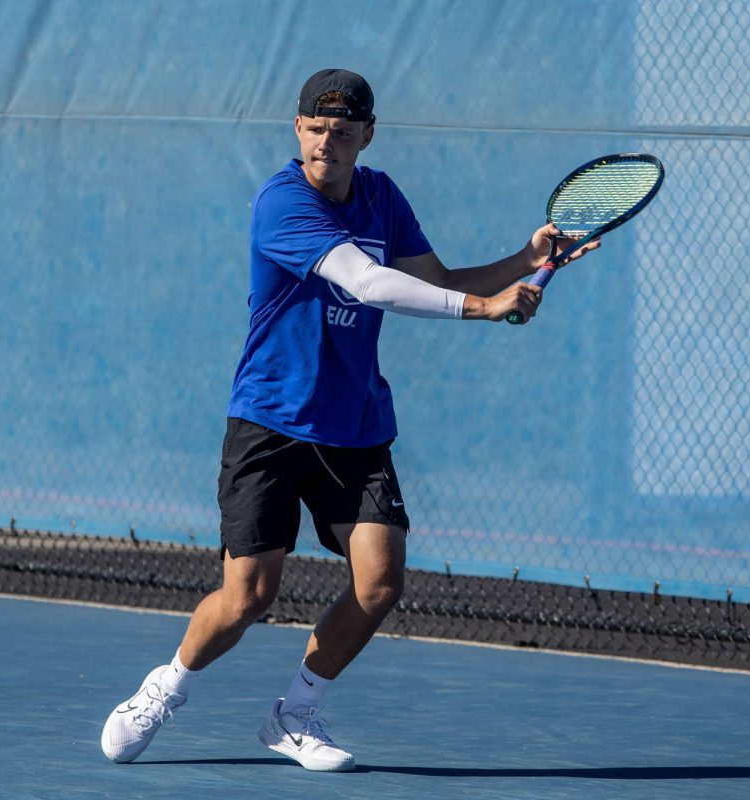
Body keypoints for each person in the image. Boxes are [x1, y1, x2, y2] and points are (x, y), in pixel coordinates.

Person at [101, 68, 600, 772]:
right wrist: (489, 310)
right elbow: (367, 283)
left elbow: (438, 282)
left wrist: (526, 260)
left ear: (366, 135)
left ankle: (295, 714)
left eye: (340, 131)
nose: (325, 143)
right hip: (271, 421)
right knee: (249, 595)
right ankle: (167, 687)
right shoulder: (281, 203)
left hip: (356, 424)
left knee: (380, 580)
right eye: (314, 128)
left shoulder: (382, 197)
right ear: (297, 130)